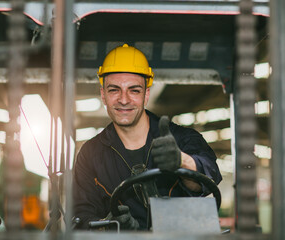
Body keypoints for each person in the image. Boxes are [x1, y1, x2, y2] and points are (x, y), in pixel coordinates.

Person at [73, 44, 222, 230]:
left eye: (134, 90)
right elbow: (81, 216)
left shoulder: (183, 138)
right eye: (114, 90)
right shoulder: (90, 154)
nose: (124, 99)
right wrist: (109, 225)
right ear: (103, 95)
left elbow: (209, 177)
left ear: (146, 95)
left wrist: (181, 160)